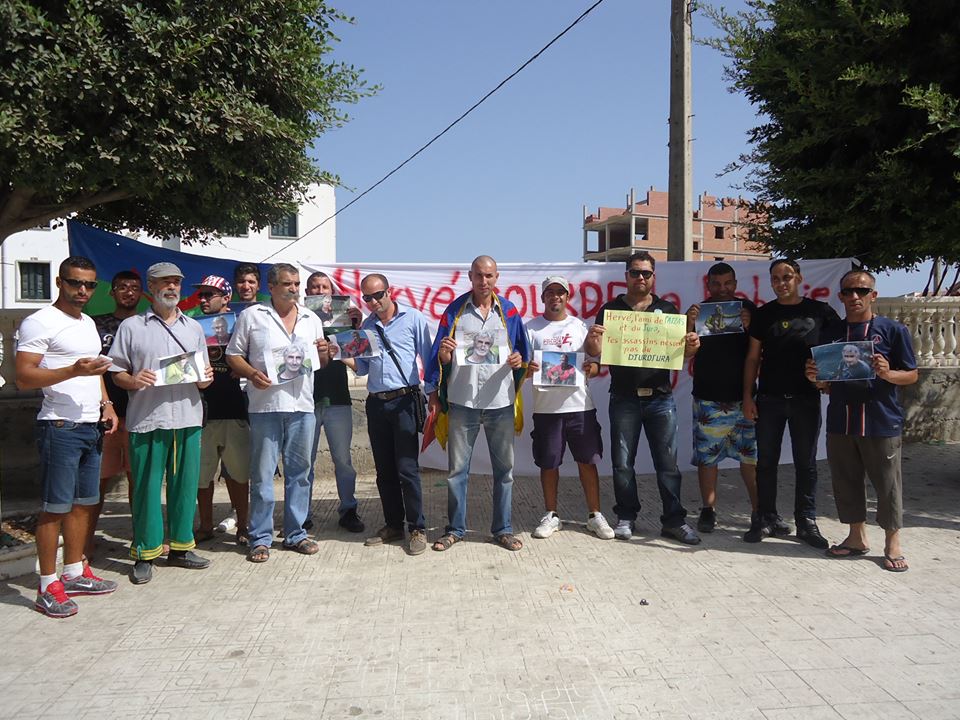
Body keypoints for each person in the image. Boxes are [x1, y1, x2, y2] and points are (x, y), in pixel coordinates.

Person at [16, 256, 119, 618]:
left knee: (83, 503)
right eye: (76, 283)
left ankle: (74, 572)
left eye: (90, 285)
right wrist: (72, 370)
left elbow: (94, 369)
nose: (83, 291)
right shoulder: (40, 322)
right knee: (54, 508)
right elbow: (24, 377)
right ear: (60, 282)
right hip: (59, 425)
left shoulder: (87, 322)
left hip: (91, 424)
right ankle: (47, 585)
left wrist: (106, 403)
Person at [583, 251, 702, 545]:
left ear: (653, 277)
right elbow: (595, 352)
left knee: (668, 464)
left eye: (646, 273)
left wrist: (692, 346)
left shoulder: (669, 309)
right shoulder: (610, 310)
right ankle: (626, 516)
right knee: (623, 462)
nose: (640, 278)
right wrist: (593, 340)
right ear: (626, 276)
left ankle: (674, 520)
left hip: (661, 398)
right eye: (635, 272)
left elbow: (682, 355)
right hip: (623, 397)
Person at [109, 262, 214, 584]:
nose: (172, 288)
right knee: (146, 489)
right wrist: (133, 379)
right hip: (147, 419)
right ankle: (145, 552)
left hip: (186, 417)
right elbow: (116, 372)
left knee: (184, 487)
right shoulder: (132, 327)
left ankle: (181, 547)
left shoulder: (193, 328)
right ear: (150, 289)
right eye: (164, 282)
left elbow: (204, 376)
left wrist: (204, 380)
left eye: (176, 283)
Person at [805, 270, 917, 572]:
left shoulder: (893, 331)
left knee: (888, 485)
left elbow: (911, 374)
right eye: (849, 291)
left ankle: (893, 542)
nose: (855, 296)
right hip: (842, 419)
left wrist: (887, 373)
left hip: (881, 420)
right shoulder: (831, 334)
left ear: (873, 295)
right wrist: (815, 378)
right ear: (840, 296)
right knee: (846, 480)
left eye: (862, 291)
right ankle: (856, 538)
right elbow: (826, 384)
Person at [426, 255, 529, 552]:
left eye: (489, 276)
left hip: (501, 402)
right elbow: (439, 357)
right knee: (457, 471)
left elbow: (523, 353)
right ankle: (455, 529)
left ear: (497, 277)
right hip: (463, 401)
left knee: (504, 471)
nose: (484, 282)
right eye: (478, 276)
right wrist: (445, 356)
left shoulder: (508, 311)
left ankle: (503, 530)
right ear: (469, 277)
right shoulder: (455, 311)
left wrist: (517, 360)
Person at [226, 263, 326, 562]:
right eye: (287, 284)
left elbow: (319, 361)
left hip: (302, 406)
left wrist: (325, 354)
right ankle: (260, 537)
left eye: (297, 283)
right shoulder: (252, 316)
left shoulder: (311, 318)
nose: (294, 289)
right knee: (262, 475)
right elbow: (233, 355)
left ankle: (295, 533)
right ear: (271, 287)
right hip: (265, 406)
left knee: (300, 474)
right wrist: (253, 374)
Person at [742, 258, 841, 547]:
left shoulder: (820, 312)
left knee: (806, 463)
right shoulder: (764, 315)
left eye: (786, 276)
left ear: (798, 277)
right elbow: (752, 358)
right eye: (775, 278)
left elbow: (838, 350)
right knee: (766, 463)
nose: (781, 282)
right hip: (769, 399)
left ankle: (806, 521)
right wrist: (748, 396)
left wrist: (827, 382)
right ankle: (765, 518)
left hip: (805, 400)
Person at [339, 274, 435, 555]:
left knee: (407, 469)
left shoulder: (413, 318)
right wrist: (340, 351)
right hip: (376, 403)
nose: (373, 302)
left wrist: (433, 398)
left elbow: (427, 358)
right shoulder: (367, 326)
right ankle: (393, 525)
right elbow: (363, 368)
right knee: (384, 471)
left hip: (405, 400)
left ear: (389, 292)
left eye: (378, 295)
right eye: (367, 298)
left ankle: (417, 528)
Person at [525, 276, 614, 541]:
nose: (555, 297)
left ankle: (594, 515)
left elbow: (596, 363)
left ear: (567, 296)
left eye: (560, 292)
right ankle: (551, 515)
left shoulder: (580, 326)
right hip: (546, 410)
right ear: (542, 297)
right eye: (550, 292)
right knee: (548, 463)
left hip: (580, 406)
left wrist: (592, 368)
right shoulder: (530, 329)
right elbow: (521, 367)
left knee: (587, 461)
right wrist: (527, 369)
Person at [685, 262, 759, 534]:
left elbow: (762, 348)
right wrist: (689, 324)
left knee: (751, 461)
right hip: (708, 398)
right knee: (707, 460)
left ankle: (758, 511)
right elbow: (681, 353)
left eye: (727, 283)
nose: (722, 289)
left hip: (745, 399)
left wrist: (751, 327)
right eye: (716, 284)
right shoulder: (698, 312)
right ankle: (708, 509)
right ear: (708, 285)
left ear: (735, 284)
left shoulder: (748, 310)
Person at [87, 270, 142, 561]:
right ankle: (85, 542)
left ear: (142, 293)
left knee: (139, 482)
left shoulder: (147, 326)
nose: (128, 292)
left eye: (134, 288)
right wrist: (103, 403)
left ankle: (141, 539)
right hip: (104, 416)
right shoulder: (97, 325)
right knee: (98, 482)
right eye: (122, 287)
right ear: (112, 292)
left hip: (138, 414)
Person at [304, 271, 364, 534]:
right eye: (314, 287)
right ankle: (301, 514)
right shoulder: (298, 318)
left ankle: (349, 509)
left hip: (338, 398)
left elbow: (359, 363)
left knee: (343, 460)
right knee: (304, 462)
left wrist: (354, 328)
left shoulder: (343, 319)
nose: (319, 291)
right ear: (307, 293)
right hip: (304, 400)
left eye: (324, 287)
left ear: (331, 291)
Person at [194, 275, 250, 546]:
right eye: (201, 295)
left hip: (235, 409)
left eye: (209, 295)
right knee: (202, 476)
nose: (203, 300)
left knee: (238, 474)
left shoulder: (243, 325)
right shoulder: (192, 326)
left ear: (226, 298)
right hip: (201, 411)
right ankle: (205, 525)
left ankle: (244, 524)